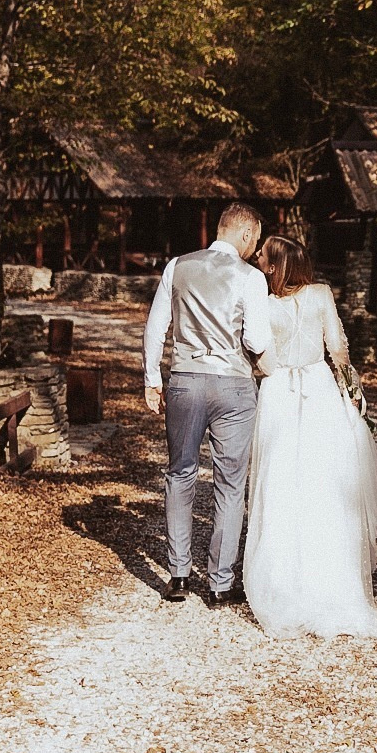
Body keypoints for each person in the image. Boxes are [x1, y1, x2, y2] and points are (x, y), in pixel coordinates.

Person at [243, 236, 377, 639]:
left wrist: (263, 369)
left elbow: (264, 358)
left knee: (282, 484)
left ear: (274, 267)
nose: (257, 258)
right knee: (321, 484)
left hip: (279, 391)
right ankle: (329, 582)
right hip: (320, 387)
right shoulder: (322, 294)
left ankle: (286, 585)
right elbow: (339, 350)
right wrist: (353, 391)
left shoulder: (262, 300)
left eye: (263, 256)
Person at [142, 202, 274, 606]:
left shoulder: (177, 266)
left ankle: (179, 575)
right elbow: (257, 342)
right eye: (256, 240)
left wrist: (152, 380)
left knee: (180, 473)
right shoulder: (251, 277)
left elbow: (155, 327)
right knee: (230, 485)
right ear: (247, 235)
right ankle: (219, 583)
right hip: (233, 386)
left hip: (185, 381)